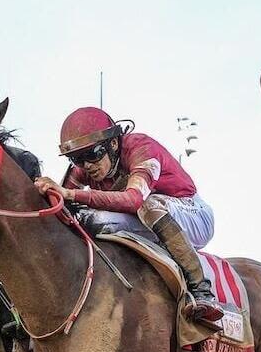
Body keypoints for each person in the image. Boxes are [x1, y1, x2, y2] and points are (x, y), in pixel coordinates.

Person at [34, 107, 224, 324]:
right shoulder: (85, 168)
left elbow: (134, 199)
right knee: (86, 218)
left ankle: (201, 290)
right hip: (146, 220)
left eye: (92, 154)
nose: (87, 165)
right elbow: (63, 205)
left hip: (192, 214)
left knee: (148, 205)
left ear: (113, 143)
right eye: (76, 159)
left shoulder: (142, 148)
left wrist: (71, 193)